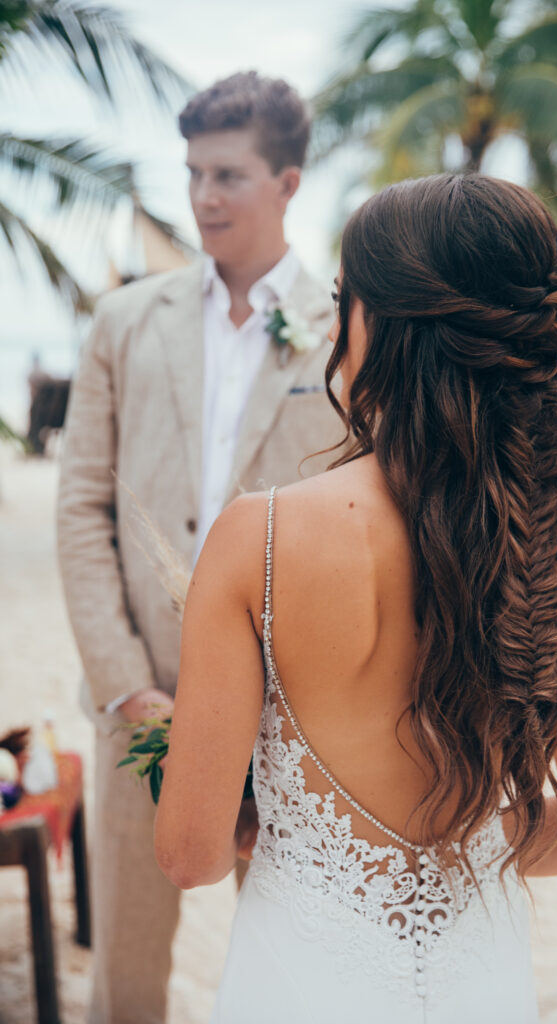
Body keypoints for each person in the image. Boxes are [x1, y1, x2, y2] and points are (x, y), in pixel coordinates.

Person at [154, 174, 557, 1022]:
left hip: (296, 985)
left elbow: (191, 854)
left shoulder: (258, 541)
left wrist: (298, 836)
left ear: (383, 328)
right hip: (477, 985)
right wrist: (465, 847)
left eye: (347, 300)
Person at [57, 71, 340, 1024]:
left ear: (288, 183)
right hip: (142, 703)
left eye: (228, 175)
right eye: (193, 175)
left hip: (299, 716)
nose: (203, 199)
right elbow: (81, 509)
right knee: (127, 971)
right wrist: (128, 687)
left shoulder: (353, 330)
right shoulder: (124, 322)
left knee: (295, 964)